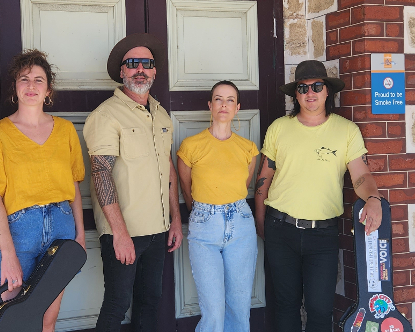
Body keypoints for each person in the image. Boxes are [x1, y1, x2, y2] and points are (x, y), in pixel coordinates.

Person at [254, 60, 382, 332]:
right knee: (286, 305)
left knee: (320, 309)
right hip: (280, 229)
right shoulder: (279, 128)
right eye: (302, 87)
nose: (309, 92)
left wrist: (373, 198)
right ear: (295, 94)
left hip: (322, 235)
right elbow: (264, 180)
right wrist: (261, 222)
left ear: (327, 92)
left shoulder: (346, 130)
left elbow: (360, 175)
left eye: (316, 86)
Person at [0, 49, 86, 332]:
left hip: (61, 228)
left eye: (39, 79)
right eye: (24, 79)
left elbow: (73, 185)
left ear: (48, 89)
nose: (31, 86)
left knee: (47, 320)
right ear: (15, 86)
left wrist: (80, 236)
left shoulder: (65, 130)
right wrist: (8, 256)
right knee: (10, 323)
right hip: (17, 231)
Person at [82, 33, 183, 332]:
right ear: (122, 71)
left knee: (150, 303)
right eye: (133, 63)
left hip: (158, 229)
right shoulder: (105, 115)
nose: (141, 69)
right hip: (124, 232)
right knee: (116, 305)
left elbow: (169, 169)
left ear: (154, 71)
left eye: (147, 63)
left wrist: (175, 220)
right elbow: (101, 173)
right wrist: (120, 233)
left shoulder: (162, 114)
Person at [177, 81, 258, 332]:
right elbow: (186, 187)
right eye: (219, 99)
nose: (224, 104)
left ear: (237, 108)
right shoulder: (191, 146)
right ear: (210, 105)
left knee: (239, 304)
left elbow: (242, 185)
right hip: (204, 225)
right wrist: (205, 212)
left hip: (241, 225)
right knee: (212, 309)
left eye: (230, 100)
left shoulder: (248, 149)